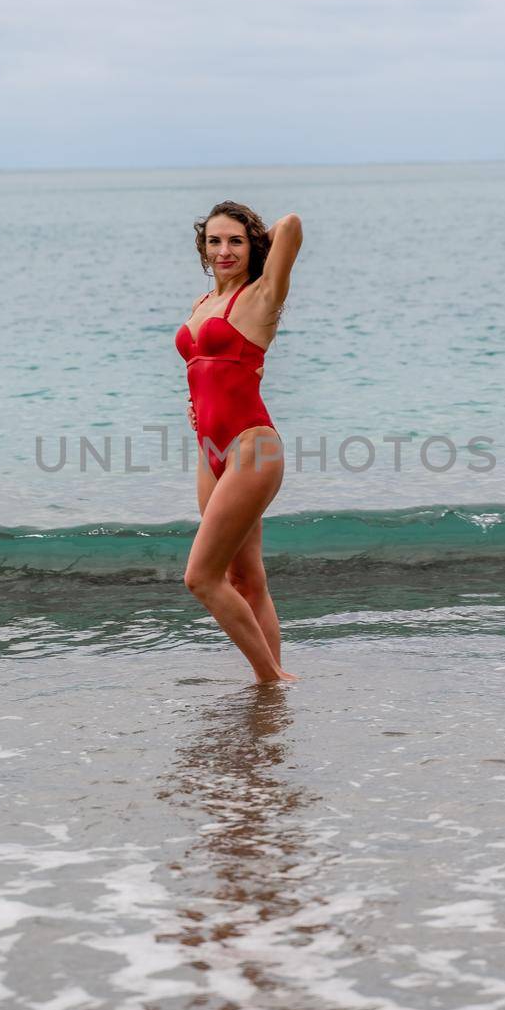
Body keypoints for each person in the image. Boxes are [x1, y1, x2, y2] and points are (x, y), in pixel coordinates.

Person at [174, 202, 303, 685]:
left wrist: (258, 242)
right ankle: (270, 688)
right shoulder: (200, 304)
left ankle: (272, 679)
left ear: (253, 245)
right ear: (202, 250)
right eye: (213, 242)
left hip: (253, 446)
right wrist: (196, 407)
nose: (223, 251)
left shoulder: (264, 293)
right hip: (211, 451)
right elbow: (205, 373)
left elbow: (290, 225)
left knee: (200, 577)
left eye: (235, 241)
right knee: (242, 579)